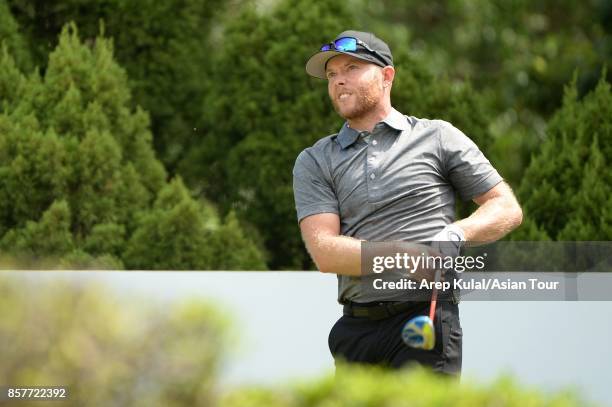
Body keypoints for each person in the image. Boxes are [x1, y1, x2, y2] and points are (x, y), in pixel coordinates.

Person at [292, 30, 523, 375]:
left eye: (351, 68)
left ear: (386, 76)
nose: (339, 81)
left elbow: (506, 207)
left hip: (424, 319)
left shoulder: (438, 137)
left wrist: (459, 232)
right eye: (332, 75)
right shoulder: (315, 159)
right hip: (355, 329)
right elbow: (325, 251)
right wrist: (403, 254)